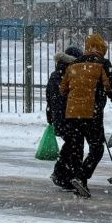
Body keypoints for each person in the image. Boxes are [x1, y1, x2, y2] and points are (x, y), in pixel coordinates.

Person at [57, 33, 112, 197]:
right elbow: (110, 86)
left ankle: (79, 181)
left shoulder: (74, 64)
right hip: (91, 114)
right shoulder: (103, 64)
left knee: (76, 149)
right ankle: (82, 176)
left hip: (72, 115)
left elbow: (63, 89)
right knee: (97, 148)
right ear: (102, 49)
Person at [47, 47, 83, 190]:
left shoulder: (54, 75)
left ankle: (63, 175)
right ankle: (65, 176)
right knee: (74, 146)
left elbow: (49, 99)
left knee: (70, 145)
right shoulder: (72, 74)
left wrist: (50, 117)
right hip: (70, 116)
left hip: (59, 117)